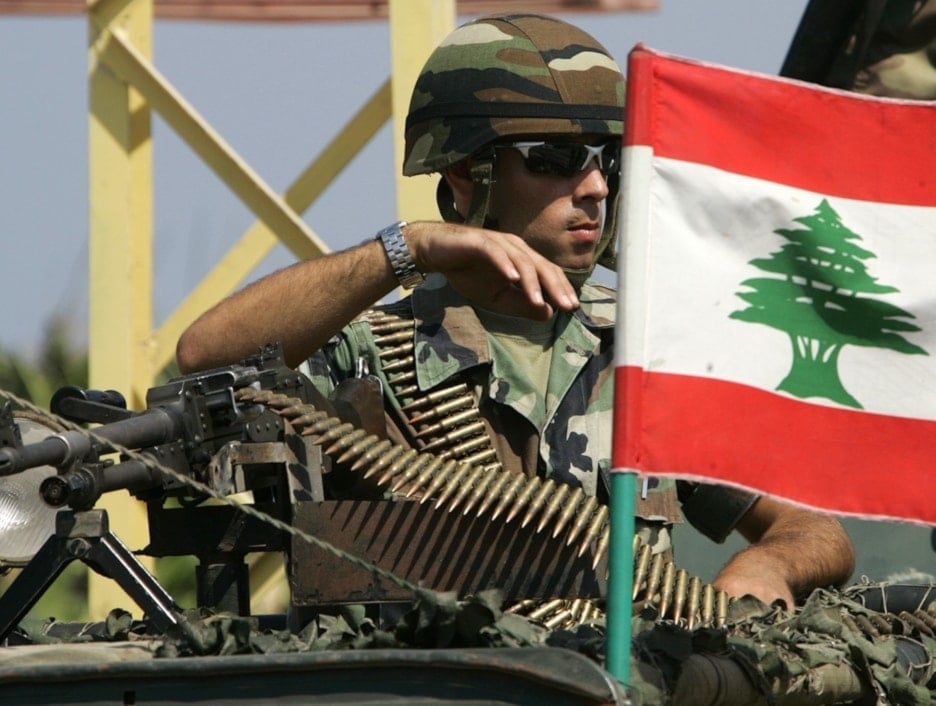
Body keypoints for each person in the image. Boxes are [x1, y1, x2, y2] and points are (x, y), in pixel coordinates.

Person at [177, 13, 854, 612]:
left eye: (606, 161)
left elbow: (815, 530)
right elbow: (206, 355)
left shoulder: (646, 351)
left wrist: (768, 562)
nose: (591, 187)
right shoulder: (377, 351)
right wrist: (406, 247)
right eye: (555, 158)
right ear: (470, 175)